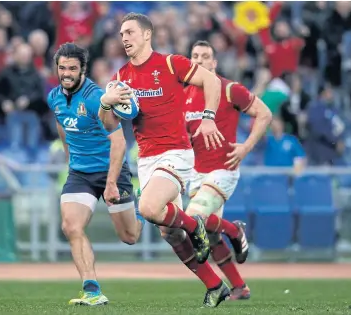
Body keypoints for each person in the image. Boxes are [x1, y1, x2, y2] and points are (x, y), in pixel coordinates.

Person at [99, 13, 226, 307]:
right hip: (147, 160)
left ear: (146, 35)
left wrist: (208, 118)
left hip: (176, 153)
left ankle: (195, 226)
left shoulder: (170, 63)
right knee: (170, 232)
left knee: (148, 207)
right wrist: (106, 104)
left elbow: (212, 82)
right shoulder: (119, 78)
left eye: (129, 32)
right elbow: (109, 124)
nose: (124, 38)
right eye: (121, 34)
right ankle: (215, 285)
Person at [47, 43, 145, 306]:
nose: (66, 73)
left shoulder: (95, 98)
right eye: (62, 68)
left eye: (72, 69)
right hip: (80, 173)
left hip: (110, 170)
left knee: (129, 237)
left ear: (83, 70)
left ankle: (141, 208)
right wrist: (70, 157)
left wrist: (111, 183)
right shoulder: (54, 96)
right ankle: (91, 289)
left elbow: (119, 142)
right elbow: (61, 123)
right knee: (71, 226)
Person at [183, 41, 272, 302]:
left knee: (193, 217)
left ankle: (234, 230)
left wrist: (245, 147)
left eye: (205, 56)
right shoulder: (184, 93)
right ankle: (239, 287)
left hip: (223, 169)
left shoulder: (229, 89)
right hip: (195, 172)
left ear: (214, 63)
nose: (199, 60)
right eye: (195, 56)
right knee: (209, 236)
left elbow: (264, 114)